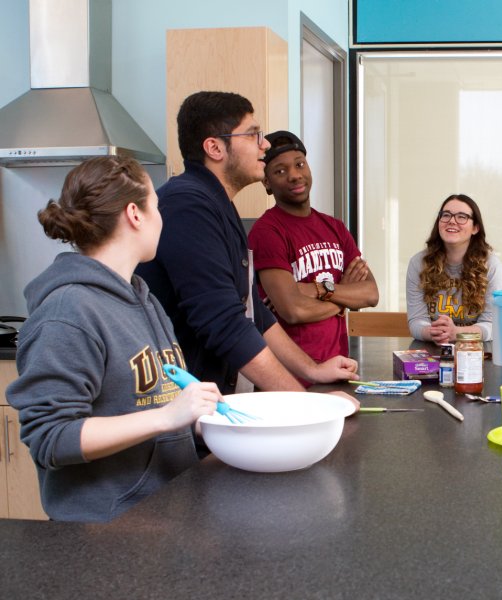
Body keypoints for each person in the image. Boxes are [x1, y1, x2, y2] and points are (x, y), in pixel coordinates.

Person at [6, 157, 222, 522]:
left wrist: (200, 418)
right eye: (156, 205)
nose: (161, 217)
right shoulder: (68, 312)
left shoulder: (143, 298)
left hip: (165, 517)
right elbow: (51, 437)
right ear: (135, 214)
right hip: (107, 536)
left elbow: (154, 398)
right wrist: (167, 417)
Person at [136, 92, 358, 397]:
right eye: (254, 135)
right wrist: (303, 403)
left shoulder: (219, 207)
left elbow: (254, 313)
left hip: (211, 407)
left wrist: (311, 369)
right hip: (182, 413)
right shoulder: (188, 207)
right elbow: (224, 323)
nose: (264, 145)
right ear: (214, 147)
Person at [248, 131, 378, 374]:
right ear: (266, 182)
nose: (295, 175)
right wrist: (342, 301)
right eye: (280, 171)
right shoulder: (267, 231)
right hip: (291, 377)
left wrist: (319, 289)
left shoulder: (335, 227)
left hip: (338, 367)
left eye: (299, 164)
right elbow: (294, 311)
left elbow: (371, 294)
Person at [406, 194, 502, 343]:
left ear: (475, 228)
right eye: (446, 215)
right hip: (433, 351)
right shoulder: (418, 263)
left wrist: (457, 333)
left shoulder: (491, 265)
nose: (452, 221)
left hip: (477, 354)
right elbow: (416, 321)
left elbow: (491, 325)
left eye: (461, 217)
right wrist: (434, 333)